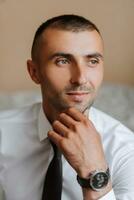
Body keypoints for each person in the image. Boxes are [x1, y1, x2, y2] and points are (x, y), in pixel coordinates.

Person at [0, 14, 134, 200]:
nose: (80, 78)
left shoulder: (127, 151)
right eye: (62, 61)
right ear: (34, 72)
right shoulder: (3, 132)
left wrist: (94, 173)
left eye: (92, 61)